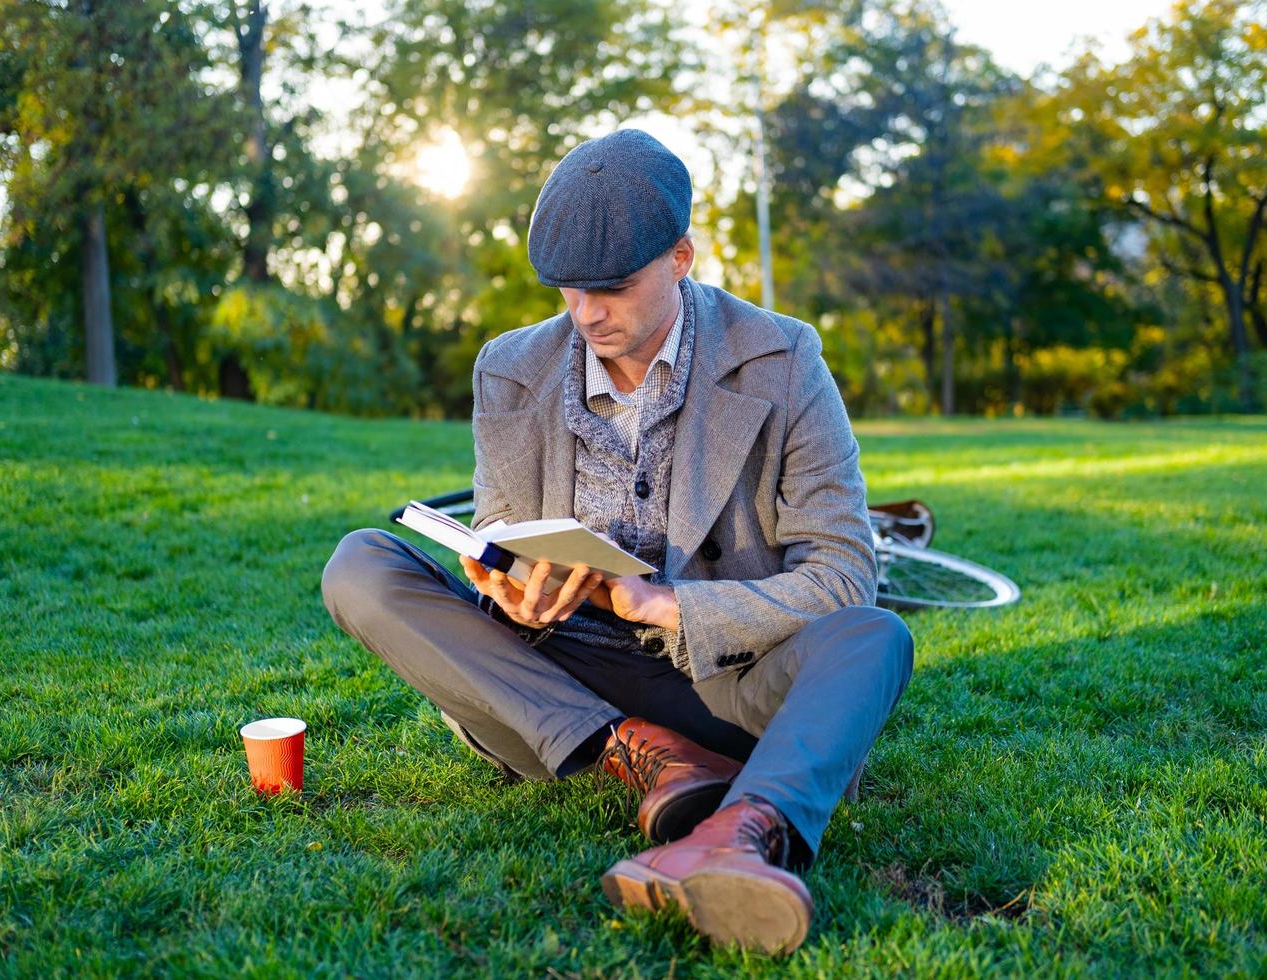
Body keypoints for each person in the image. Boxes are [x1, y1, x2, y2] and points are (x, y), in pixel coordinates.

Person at [321, 128, 913, 955]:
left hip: (727, 687)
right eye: (568, 289)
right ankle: (635, 755)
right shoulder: (510, 366)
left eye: (613, 288)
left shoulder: (783, 360)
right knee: (359, 564)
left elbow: (846, 574)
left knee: (875, 635)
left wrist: (672, 605)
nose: (587, 312)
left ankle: (736, 836)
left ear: (680, 256)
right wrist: (504, 579)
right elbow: (501, 520)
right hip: (555, 684)